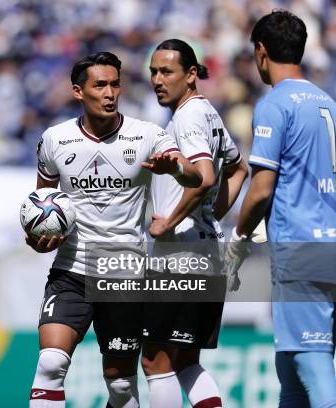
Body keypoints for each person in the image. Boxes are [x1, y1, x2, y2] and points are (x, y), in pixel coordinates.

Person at [26, 51, 202, 408]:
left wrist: (177, 170)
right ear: (78, 91)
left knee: (120, 385)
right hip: (71, 270)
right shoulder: (54, 140)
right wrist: (38, 238)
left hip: (123, 274)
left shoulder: (147, 136)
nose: (110, 93)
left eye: (115, 84)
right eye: (100, 85)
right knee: (51, 363)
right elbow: (42, 205)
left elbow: (196, 176)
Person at [226, 10, 336, 408]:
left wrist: (237, 241)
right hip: (330, 245)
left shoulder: (275, 104)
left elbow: (260, 189)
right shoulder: (328, 103)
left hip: (301, 249)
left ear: (260, 51)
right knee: (290, 369)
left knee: (311, 362)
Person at [143, 39, 248, 408]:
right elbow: (238, 168)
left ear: (191, 75)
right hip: (208, 253)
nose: (158, 79)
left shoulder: (187, 117)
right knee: (186, 361)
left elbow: (203, 176)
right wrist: (210, 216)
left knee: (155, 360)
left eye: (167, 71)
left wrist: (169, 221)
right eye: (154, 72)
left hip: (180, 255)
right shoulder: (208, 113)